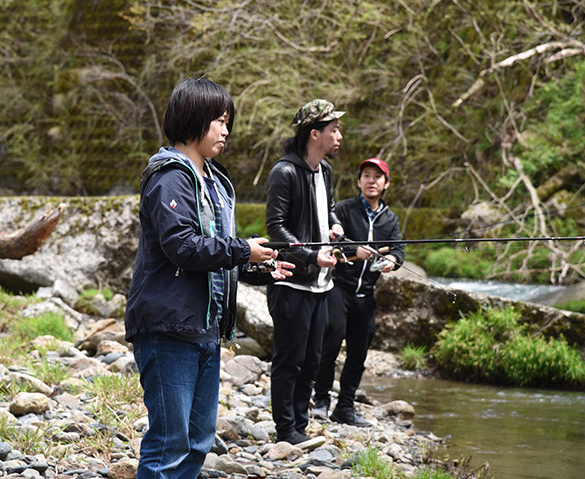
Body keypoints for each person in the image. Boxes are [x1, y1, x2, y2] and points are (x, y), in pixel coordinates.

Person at [124, 77, 293, 479]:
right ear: (193, 118)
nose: (226, 130)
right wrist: (241, 249)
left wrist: (257, 266)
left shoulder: (216, 182)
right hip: (167, 328)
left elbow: (219, 255)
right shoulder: (170, 177)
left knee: (199, 441)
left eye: (227, 121)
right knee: (169, 441)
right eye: (219, 120)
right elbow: (182, 246)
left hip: (204, 329)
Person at [265, 99, 346, 445]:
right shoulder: (284, 173)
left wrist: (336, 226)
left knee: (312, 361)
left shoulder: (324, 171)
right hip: (292, 284)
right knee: (289, 361)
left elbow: (327, 211)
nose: (339, 136)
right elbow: (276, 230)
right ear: (315, 134)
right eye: (334, 130)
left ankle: (300, 426)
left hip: (320, 286)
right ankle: (285, 430)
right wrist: (313, 257)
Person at [311, 157, 404, 426]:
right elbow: (330, 244)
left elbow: (398, 250)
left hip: (367, 294)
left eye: (377, 176)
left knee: (359, 353)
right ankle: (321, 401)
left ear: (386, 183)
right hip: (339, 287)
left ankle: (345, 407)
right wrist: (355, 251)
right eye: (366, 175)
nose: (371, 180)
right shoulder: (343, 210)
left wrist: (392, 262)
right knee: (330, 343)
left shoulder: (390, 219)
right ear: (359, 181)